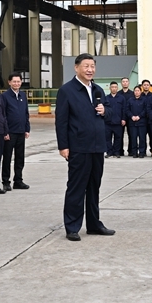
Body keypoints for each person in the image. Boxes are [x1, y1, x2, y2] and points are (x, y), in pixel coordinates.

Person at [55, 54, 114, 241]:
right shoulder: (67, 91)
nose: (90, 70)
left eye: (92, 66)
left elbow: (110, 112)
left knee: (94, 187)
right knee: (76, 187)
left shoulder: (98, 90)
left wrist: (105, 111)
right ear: (76, 68)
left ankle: (94, 224)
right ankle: (72, 226)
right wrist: (63, 146)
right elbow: (61, 121)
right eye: (86, 66)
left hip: (97, 146)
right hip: (78, 147)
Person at [2, 73, 31, 189]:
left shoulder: (23, 95)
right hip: (10, 132)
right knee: (7, 157)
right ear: (9, 82)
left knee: (20, 157)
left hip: (21, 131)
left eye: (18, 81)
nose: (16, 84)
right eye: (14, 81)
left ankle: (18, 180)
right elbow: (2, 115)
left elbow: (26, 113)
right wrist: (5, 131)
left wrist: (27, 128)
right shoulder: (5, 96)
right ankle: (6, 181)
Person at [103, 81, 126, 158]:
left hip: (118, 122)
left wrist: (123, 119)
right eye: (112, 87)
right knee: (107, 138)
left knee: (118, 138)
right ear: (110, 88)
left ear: (117, 88)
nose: (114, 88)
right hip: (108, 122)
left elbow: (124, 109)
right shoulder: (106, 98)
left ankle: (116, 152)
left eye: (115, 87)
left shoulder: (121, 98)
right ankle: (109, 152)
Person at [126, 86, 148, 158]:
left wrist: (139, 116)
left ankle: (142, 152)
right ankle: (134, 152)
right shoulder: (130, 100)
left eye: (138, 90)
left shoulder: (144, 100)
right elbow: (127, 110)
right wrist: (132, 116)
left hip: (142, 122)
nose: (137, 92)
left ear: (140, 92)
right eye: (135, 91)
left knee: (142, 138)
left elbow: (146, 110)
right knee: (133, 138)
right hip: (132, 122)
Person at [119, 77, 134, 156]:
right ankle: (120, 151)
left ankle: (131, 151)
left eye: (126, 81)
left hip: (130, 118)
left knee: (131, 134)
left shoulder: (132, 94)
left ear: (129, 83)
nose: (125, 83)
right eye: (123, 81)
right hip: (121, 118)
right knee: (120, 135)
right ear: (121, 83)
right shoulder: (118, 94)